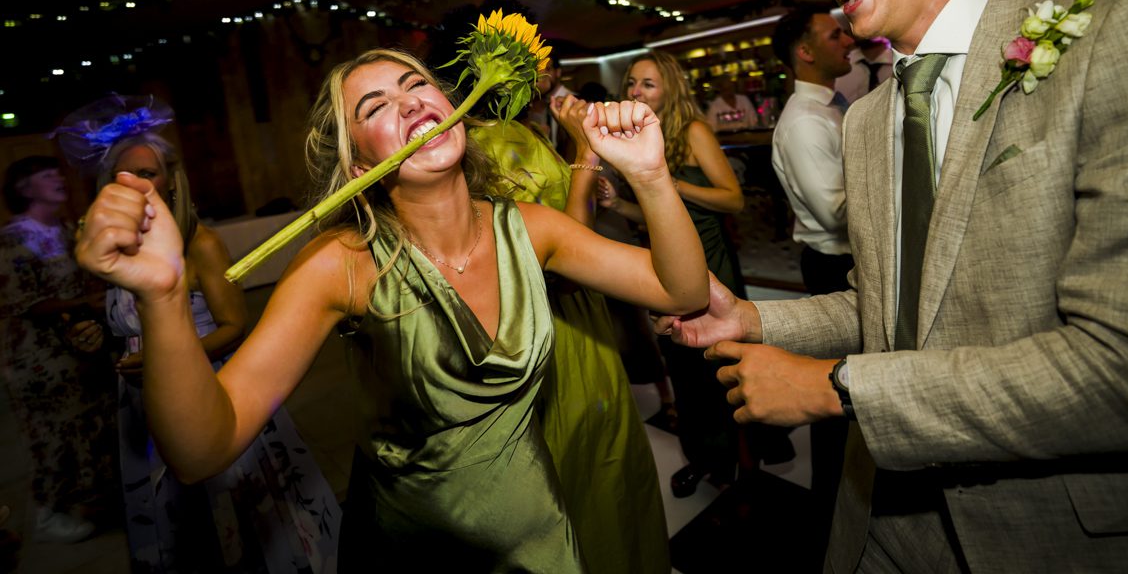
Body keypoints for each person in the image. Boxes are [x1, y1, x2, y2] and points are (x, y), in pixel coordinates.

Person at [662, 0, 1128, 572]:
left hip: (1055, 531)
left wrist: (838, 391)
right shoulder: (871, 119)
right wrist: (753, 318)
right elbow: (888, 304)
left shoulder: (1123, 34)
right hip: (884, 513)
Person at [75, 47, 708, 572]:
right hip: (419, 546)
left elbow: (681, 292)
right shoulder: (341, 264)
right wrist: (161, 296)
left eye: (417, 86)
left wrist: (650, 177)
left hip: (536, 531)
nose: (410, 103)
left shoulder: (534, 228)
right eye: (375, 106)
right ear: (360, 165)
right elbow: (202, 449)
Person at [55, 95, 341, 573]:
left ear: (171, 182)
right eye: (121, 175)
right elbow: (124, 318)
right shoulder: (122, 248)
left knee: (246, 516)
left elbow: (234, 324)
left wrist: (163, 359)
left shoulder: (201, 243)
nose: (137, 184)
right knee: (180, 525)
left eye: (148, 173)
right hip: (140, 404)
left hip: (213, 385)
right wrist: (93, 336)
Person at [471, 93, 671, 574]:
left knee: (612, 446)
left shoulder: (529, 132)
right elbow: (557, 260)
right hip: (552, 319)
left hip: (585, 313)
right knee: (577, 456)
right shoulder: (483, 146)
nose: (551, 75)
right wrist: (584, 152)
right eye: (536, 62)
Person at [602, 50, 768, 497]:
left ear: (670, 89)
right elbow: (652, 217)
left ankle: (747, 462)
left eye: (648, 84)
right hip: (661, 266)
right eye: (632, 83)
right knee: (682, 367)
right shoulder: (635, 136)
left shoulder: (693, 131)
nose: (636, 92)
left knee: (723, 365)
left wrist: (669, 182)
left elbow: (732, 199)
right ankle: (705, 457)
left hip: (710, 261)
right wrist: (617, 204)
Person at [769, 3, 856, 564]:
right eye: (834, 34)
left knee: (849, 389)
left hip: (843, 264)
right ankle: (831, 520)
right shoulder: (803, 121)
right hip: (830, 267)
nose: (847, 39)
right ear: (805, 51)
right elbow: (832, 212)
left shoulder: (834, 107)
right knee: (837, 395)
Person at [0, 156, 115, 544]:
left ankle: (93, 500)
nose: (58, 179)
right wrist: (86, 303)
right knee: (52, 436)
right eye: (45, 175)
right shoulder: (14, 238)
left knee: (90, 427)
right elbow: (22, 302)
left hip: (79, 349)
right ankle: (50, 512)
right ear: (23, 188)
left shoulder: (65, 229)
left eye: (57, 172)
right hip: (38, 358)